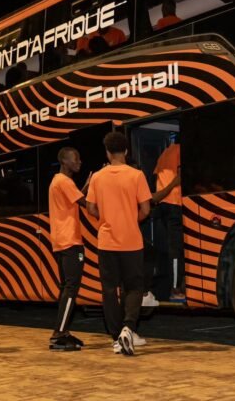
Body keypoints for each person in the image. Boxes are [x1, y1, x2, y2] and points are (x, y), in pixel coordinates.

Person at [86, 132, 151, 355]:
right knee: (134, 287)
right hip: (131, 241)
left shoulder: (97, 177)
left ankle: (116, 337)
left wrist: (106, 218)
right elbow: (146, 209)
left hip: (106, 242)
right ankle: (128, 328)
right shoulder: (136, 175)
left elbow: (91, 207)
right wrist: (131, 220)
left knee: (109, 290)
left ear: (107, 152)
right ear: (126, 151)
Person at [48, 147, 91, 351]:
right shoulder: (65, 181)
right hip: (70, 241)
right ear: (64, 161)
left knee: (66, 287)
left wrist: (86, 187)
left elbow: (74, 199)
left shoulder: (58, 181)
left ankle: (63, 331)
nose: (79, 162)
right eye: (76, 159)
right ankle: (59, 333)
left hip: (60, 241)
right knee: (71, 288)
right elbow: (85, 203)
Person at [153, 140, 185, 301]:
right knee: (176, 248)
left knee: (173, 246)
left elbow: (157, 178)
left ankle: (175, 285)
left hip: (163, 204)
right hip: (175, 203)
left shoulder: (165, 153)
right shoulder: (180, 150)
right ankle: (175, 288)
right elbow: (180, 176)